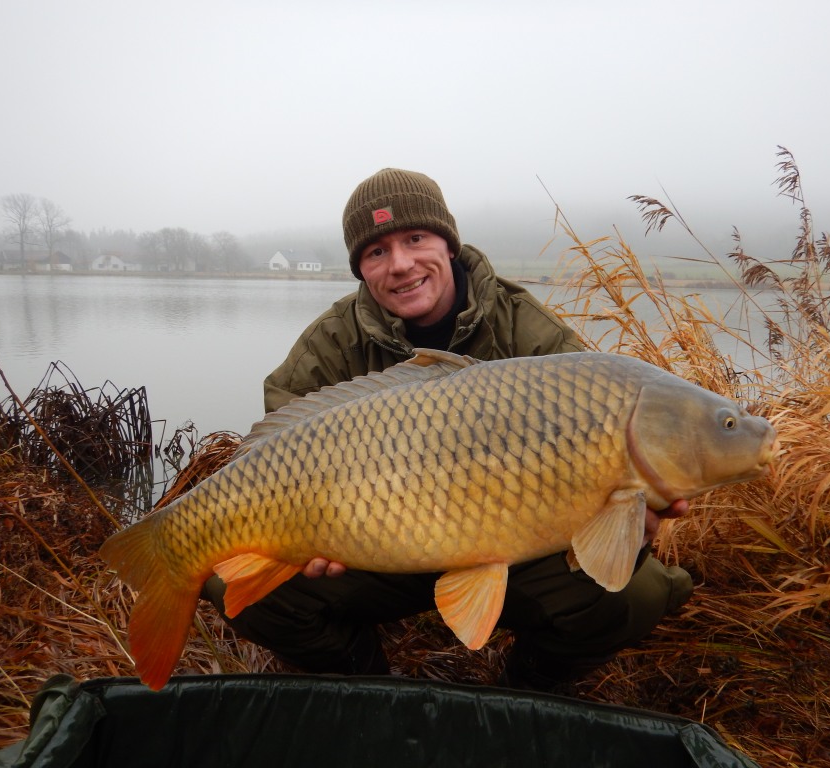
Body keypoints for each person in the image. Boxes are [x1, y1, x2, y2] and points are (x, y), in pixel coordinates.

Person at [205, 168, 693, 692]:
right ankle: (365, 683)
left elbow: (607, 455)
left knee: (636, 594)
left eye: (415, 239)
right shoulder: (329, 344)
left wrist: (626, 519)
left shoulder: (526, 330)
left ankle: (525, 691)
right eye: (376, 252)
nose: (400, 265)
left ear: (448, 242)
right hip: (370, 549)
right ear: (361, 269)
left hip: (512, 545)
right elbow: (274, 450)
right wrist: (302, 534)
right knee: (228, 581)